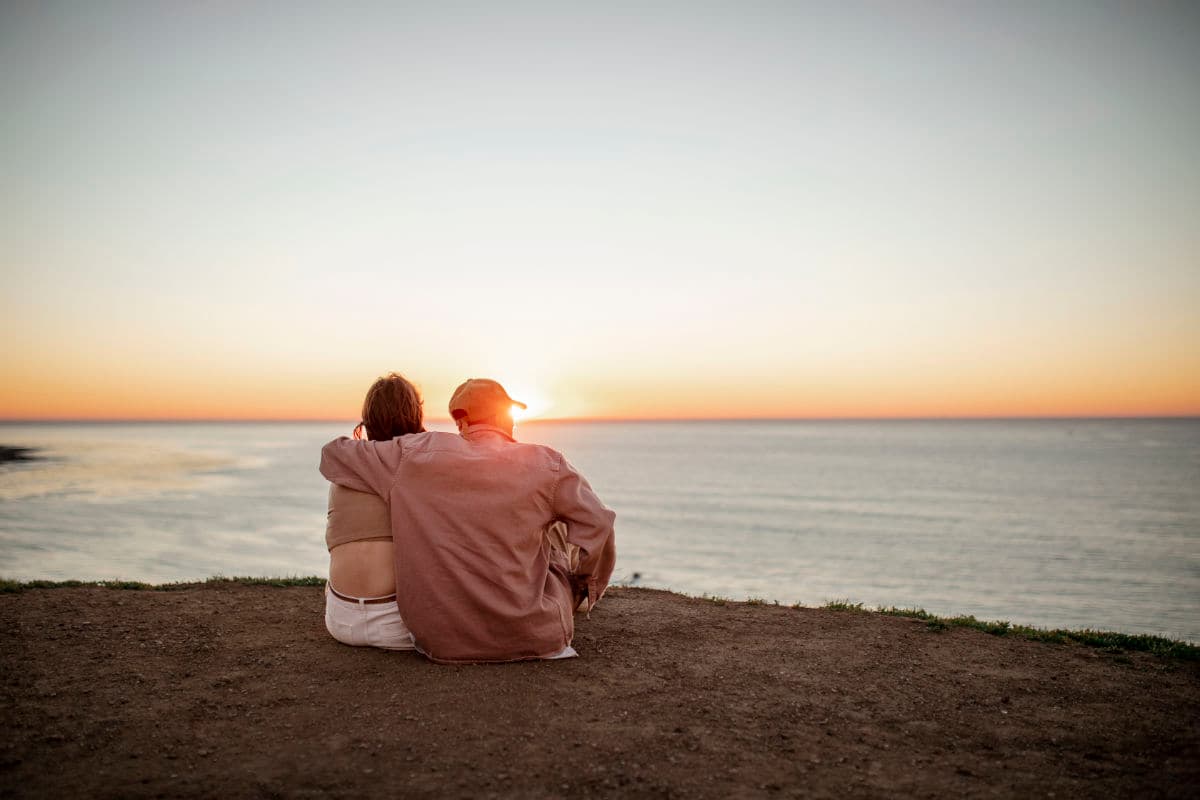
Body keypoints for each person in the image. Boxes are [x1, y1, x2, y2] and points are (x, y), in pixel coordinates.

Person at [320, 377, 617, 664]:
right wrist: (584, 583)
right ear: (505, 417)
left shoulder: (416, 456)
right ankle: (579, 597)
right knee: (552, 530)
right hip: (535, 633)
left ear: (460, 422)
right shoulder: (546, 463)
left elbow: (334, 453)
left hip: (441, 641)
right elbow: (598, 524)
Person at [323, 372, 425, 651]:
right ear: (415, 415)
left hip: (339, 621)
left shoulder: (343, 469)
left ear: (367, 420)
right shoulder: (419, 468)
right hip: (398, 626)